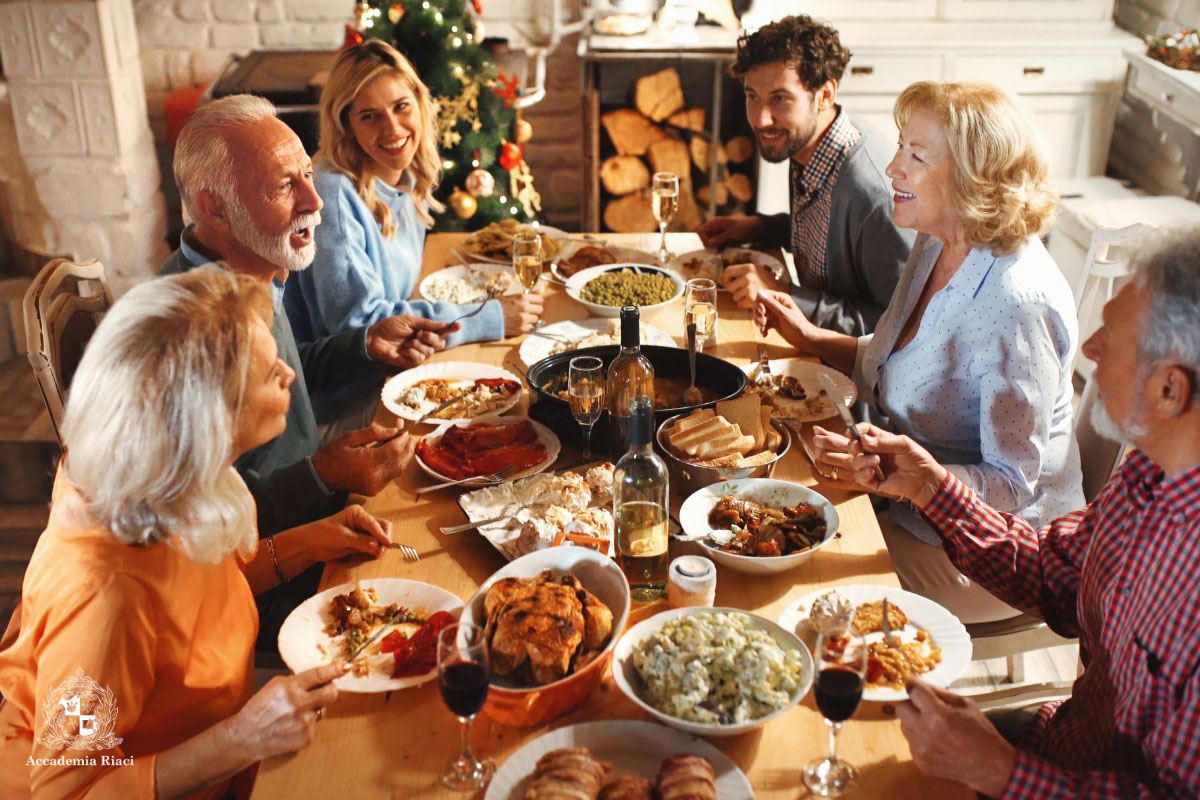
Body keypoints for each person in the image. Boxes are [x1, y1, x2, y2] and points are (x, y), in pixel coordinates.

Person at [810, 227, 1200, 798]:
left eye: (1111, 338)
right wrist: (930, 487)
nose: (1088, 349)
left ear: (1170, 390)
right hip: (1057, 743)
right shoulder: (1148, 477)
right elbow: (1051, 573)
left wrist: (998, 771)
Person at [0, 268, 393, 799]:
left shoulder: (165, 476)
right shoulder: (104, 598)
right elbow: (64, 793)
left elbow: (197, 602)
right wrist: (242, 738)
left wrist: (316, 539)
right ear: (205, 419)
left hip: (220, 757)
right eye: (266, 372)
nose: (288, 374)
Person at [758, 81, 1084, 624]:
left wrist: (905, 478)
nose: (892, 168)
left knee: (797, 575)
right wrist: (812, 340)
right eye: (899, 147)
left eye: (915, 154)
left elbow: (1010, 483)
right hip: (911, 502)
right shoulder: (937, 241)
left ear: (974, 175)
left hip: (997, 552)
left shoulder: (1016, 303)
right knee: (771, 514)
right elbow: (901, 359)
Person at [163, 94, 454, 537]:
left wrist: (363, 346)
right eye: (284, 186)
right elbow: (199, 520)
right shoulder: (182, 333)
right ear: (215, 208)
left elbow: (275, 381)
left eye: (308, 175)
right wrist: (322, 476)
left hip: (317, 495)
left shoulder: (250, 269)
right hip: (280, 559)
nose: (316, 201)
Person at [284, 39, 542, 345]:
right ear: (346, 125)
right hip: (351, 387)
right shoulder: (333, 194)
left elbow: (398, 297)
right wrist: (484, 318)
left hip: (403, 361)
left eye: (400, 106)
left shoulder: (405, 177)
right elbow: (360, 327)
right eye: (370, 116)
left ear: (419, 104)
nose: (393, 128)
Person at [696, 14, 912, 335]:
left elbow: (901, 328)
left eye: (779, 99)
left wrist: (786, 295)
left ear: (825, 95)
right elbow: (826, 236)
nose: (761, 119)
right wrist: (761, 226)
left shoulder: (874, 196)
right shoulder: (807, 143)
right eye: (752, 95)